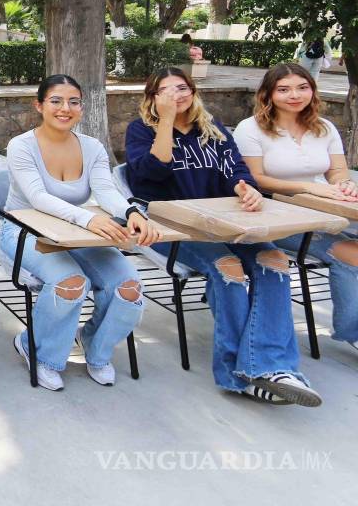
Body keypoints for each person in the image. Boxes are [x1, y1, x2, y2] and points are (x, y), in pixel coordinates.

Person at [125, 66, 321, 406]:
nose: (177, 95)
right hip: (171, 227)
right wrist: (167, 121)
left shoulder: (212, 129)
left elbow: (237, 170)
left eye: (183, 88)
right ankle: (237, 374)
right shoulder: (141, 130)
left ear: (193, 91)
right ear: (153, 98)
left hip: (225, 221)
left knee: (274, 261)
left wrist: (246, 188)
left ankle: (272, 369)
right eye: (167, 91)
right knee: (228, 267)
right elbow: (150, 173)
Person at [1, 75, 158, 392]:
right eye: (56, 101)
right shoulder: (21, 146)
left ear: (81, 108)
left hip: (74, 231)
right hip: (23, 229)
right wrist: (88, 220)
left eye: (74, 101)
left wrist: (131, 213)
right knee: (71, 282)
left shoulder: (92, 147)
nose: (65, 108)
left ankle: (97, 349)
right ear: (39, 105)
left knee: (129, 286)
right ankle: (37, 349)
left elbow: (106, 190)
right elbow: (38, 198)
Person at [233, 63, 358, 351]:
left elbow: (337, 171)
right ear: (268, 93)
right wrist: (308, 187)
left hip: (324, 209)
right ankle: (352, 331)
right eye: (284, 89)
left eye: (302, 87)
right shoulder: (250, 128)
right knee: (352, 254)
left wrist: (344, 184)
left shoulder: (323, 127)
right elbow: (255, 178)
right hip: (274, 215)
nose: (295, 95)